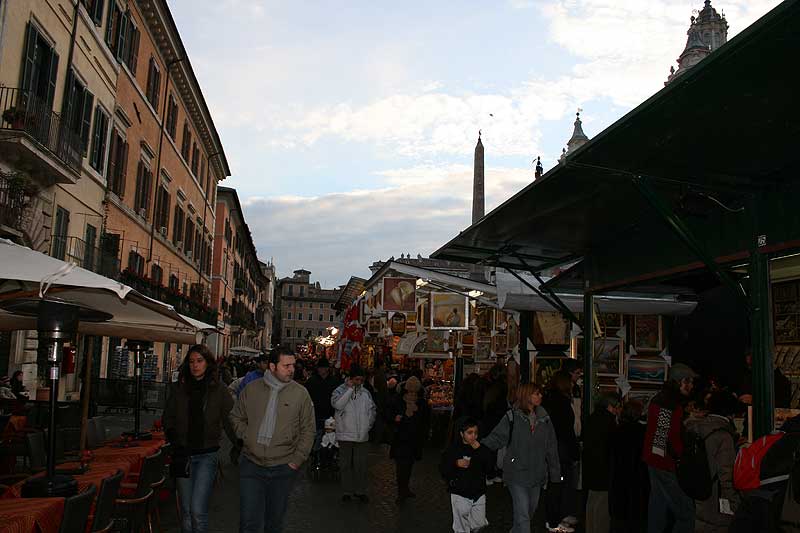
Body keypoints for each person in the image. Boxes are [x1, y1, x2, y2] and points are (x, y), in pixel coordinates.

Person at [229, 346, 316, 533]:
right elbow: (236, 416)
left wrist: (296, 460)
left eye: (293, 365)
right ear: (272, 366)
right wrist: (247, 436)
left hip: (283, 467)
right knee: (249, 522)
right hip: (251, 465)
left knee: (274, 523)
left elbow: (308, 430)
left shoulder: (300, 394)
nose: (292, 370)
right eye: (286, 366)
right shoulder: (252, 389)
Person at [163, 344, 234, 533]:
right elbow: (168, 417)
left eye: (199, 361)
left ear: (208, 363)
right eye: (192, 361)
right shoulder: (179, 388)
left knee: (197, 511)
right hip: (183, 454)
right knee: (186, 511)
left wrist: (240, 443)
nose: (195, 365)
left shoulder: (219, 390)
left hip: (206, 455)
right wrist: (173, 437)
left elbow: (231, 420)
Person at [482, 383, 561, 533]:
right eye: (536, 393)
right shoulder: (512, 417)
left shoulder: (544, 419)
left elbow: (552, 447)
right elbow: (496, 438)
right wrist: (476, 448)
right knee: (523, 515)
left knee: (529, 511)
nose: (541, 396)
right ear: (526, 396)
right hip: (516, 474)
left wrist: (555, 474)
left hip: (537, 474)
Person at [642, 362, 698, 533]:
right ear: (679, 381)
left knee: (658, 508)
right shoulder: (669, 402)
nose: (691, 386)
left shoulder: (663, 399)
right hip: (664, 463)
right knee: (686, 513)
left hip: (656, 460)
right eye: (688, 381)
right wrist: (679, 457)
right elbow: (664, 436)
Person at [685, 390, 740, 532]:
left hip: (695, 491)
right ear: (731, 413)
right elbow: (726, 475)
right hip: (715, 498)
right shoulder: (723, 436)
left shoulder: (695, 427)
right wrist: (735, 502)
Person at [440, 416, 495, 533]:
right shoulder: (453, 449)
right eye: (469, 433)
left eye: (475, 433)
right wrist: (455, 463)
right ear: (462, 434)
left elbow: (490, 467)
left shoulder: (481, 448)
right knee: (461, 528)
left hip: (478, 493)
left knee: (480, 523)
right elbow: (443, 468)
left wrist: (480, 450)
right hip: (460, 493)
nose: (473, 436)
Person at [331, 364, 376, 502]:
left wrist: (368, 425)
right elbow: (337, 405)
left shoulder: (366, 393)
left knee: (360, 465)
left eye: (361, 380)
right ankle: (347, 491)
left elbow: (372, 410)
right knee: (345, 465)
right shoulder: (340, 390)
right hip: (345, 434)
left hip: (362, 435)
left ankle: (360, 490)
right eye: (357, 379)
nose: (359, 382)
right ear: (351, 378)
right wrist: (349, 390)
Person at [543, 371, 580, 532]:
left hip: (554, 448)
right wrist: (574, 451)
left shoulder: (550, 399)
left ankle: (557, 517)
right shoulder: (561, 402)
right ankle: (556, 520)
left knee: (557, 485)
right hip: (560, 449)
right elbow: (566, 430)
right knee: (559, 485)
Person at [583, 392, 622, 533]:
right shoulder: (609, 422)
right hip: (604, 468)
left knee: (592, 501)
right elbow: (612, 448)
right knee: (602, 506)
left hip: (591, 466)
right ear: (611, 406)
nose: (619, 410)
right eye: (618, 406)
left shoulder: (593, 417)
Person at [609, 399, 650, 532]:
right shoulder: (642, 432)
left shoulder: (617, 430)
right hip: (638, 477)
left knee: (620, 515)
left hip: (619, 476)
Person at [389, 376, 430, 503]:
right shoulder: (398, 401)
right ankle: (401, 491)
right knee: (401, 467)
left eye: (414, 392)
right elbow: (387, 413)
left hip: (414, 440)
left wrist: (423, 435)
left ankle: (405, 489)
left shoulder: (422, 404)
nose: (412, 394)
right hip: (400, 439)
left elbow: (425, 421)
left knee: (409, 466)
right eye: (410, 391)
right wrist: (395, 419)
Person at [304, 358, 340, 443]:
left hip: (330, 414)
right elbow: (306, 397)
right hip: (315, 414)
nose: (320, 370)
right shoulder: (311, 381)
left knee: (329, 438)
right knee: (316, 437)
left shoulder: (334, 381)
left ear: (327, 369)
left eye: (322, 368)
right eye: (319, 368)